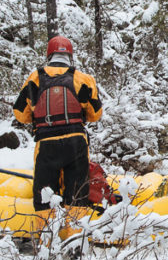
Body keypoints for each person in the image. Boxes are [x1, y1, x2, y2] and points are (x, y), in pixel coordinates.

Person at [13, 35, 102, 210]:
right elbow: (95, 114)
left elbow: (20, 114)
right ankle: (75, 235)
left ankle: (47, 235)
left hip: (46, 144)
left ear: (49, 56)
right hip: (76, 144)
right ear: (70, 56)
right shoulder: (83, 79)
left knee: (45, 196)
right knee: (77, 195)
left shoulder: (35, 78)